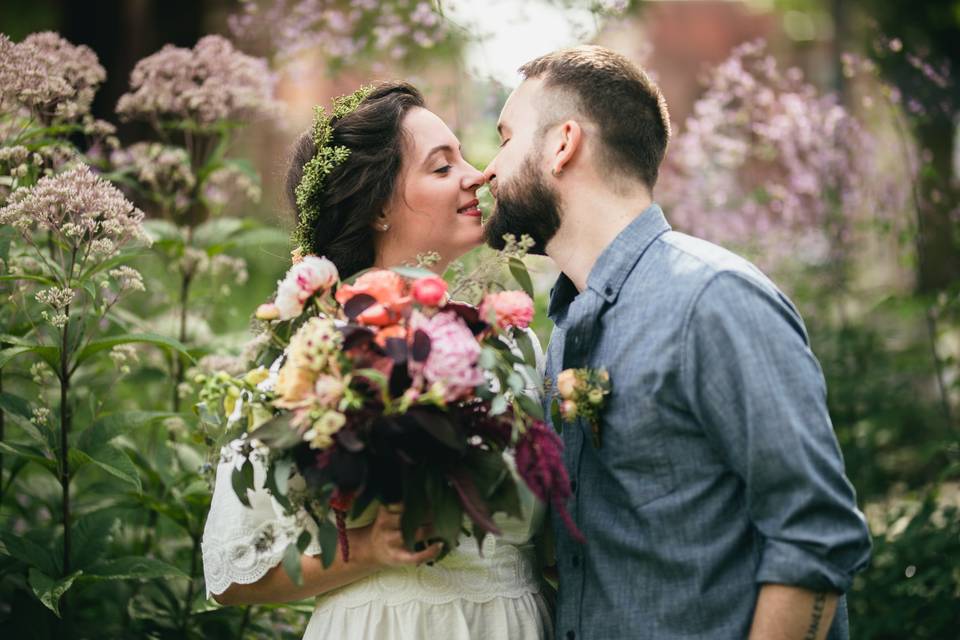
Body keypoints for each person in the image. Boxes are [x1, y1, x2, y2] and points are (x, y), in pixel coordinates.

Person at [481, 46, 873, 640]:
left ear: (563, 144)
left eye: (506, 138)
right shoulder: (564, 333)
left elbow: (814, 539)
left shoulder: (714, 300)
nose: (488, 168)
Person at [201, 81, 553, 640]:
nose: (478, 174)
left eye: (463, 155)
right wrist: (367, 547)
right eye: (442, 168)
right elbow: (232, 568)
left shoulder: (514, 344)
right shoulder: (323, 350)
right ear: (379, 208)